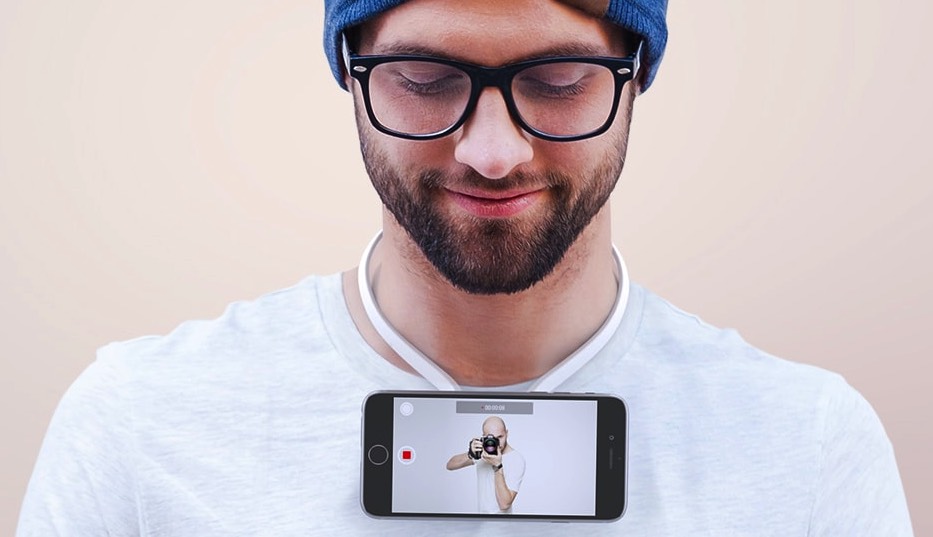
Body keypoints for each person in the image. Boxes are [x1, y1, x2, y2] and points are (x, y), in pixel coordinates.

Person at [17, 0, 914, 535]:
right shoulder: (139, 426)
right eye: (424, 77)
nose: (492, 150)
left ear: (635, 77)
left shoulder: (808, 447)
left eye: (558, 79)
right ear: (350, 73)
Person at [446, 416, 526, 514]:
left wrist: (498, 466)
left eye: (500, 437)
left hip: (503, 525)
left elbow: (504, 504)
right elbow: (450, 465)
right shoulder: (482, 453)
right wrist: (470, 454)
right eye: (492, 438)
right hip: (481, 521)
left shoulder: (516, 459)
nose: (496, 443)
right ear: (484, 437)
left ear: (507, 433)